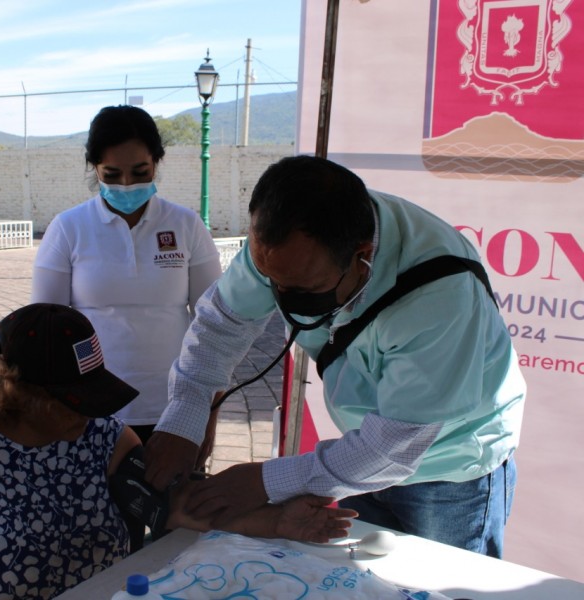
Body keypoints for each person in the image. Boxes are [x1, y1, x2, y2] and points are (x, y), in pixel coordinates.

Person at [145, 155, 526, 559]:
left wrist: (264, 482)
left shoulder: (440, 295)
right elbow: (223, 323)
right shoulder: (287, 242)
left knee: (444, 586)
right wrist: (187, 414)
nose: (282, 299)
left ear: (362, 255)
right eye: (270, 281)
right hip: (363, 452)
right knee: (364, 580)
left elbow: (393, 444)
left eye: (304, 289)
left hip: (451, 472)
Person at [0, 303, 357, 600]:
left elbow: (173, 508)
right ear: (18, 393)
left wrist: (275, 522)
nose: (90, 416)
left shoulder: (102, 439)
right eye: (73, 404)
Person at [31, 105, 223, 448]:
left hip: (173, 409)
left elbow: (216, 326)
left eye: (140, 172)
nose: (126, 184)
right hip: (88, 412)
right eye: (112, 173)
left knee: (171, 501)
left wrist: (208, 411)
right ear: (94, 167)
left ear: (157, 162)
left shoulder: (185, 225)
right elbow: (46, 330)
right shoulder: (68, 228)